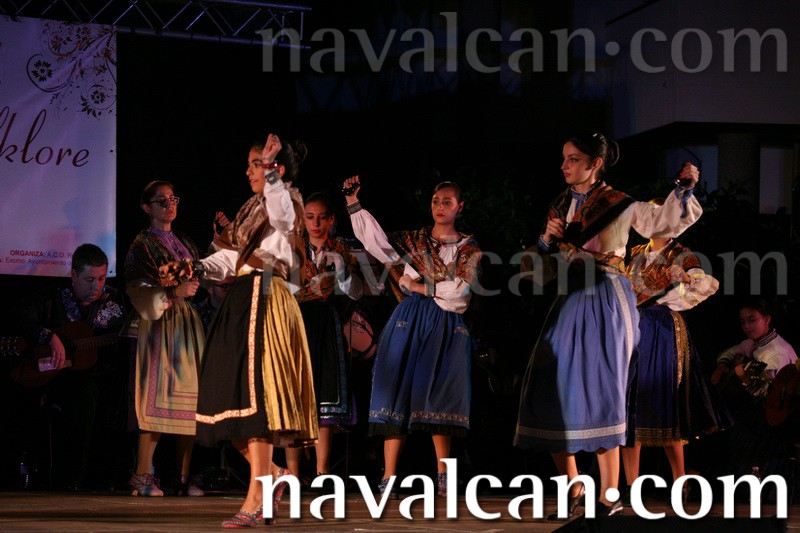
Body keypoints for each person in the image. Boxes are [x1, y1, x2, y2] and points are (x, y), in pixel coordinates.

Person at [514, 131, 702, 518]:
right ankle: (574, 487)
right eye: (564, 158)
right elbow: (541, 265)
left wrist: (683, 189)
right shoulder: (560, 205)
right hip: (569, 296)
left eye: (573, 159)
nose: (564, 165)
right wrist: (546, 241)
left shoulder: (620, 203)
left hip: (605, 296)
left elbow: (662, 222)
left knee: (602, 389)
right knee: (547, 387)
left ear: (595, 163)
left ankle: (609, 494)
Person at [161, 134, 317, 528]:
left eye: (256, 163)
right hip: (241, 298)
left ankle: (256, 497)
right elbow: (231, 258)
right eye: (250, 164)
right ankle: (275, 475)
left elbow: (283, 219)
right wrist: (195, 266)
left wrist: (271, 173)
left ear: (276, 168)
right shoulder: (250, 207)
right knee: (226, 404)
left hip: (267, 298)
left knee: (255, 402)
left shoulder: (287, 198)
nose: (249, 171)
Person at [343, 176, 482, 497]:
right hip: (409, 320)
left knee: (439, 394)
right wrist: (353, 203)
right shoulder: (413, 242)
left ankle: (443, 476)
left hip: (446, 324)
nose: (440, 207)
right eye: (436, 201)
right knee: (397, 392)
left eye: (448, 202)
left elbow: (459, 293)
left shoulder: (468, 248)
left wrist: (418, 286)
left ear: (460, 207)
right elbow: (377, 242)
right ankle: (389, 475)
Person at [620, 233, 731, 501]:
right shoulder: (635, 253)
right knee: (629, 405)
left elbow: (700, 282)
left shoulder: (680, 254)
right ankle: (631, 485)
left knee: (666, 405)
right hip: (633, 327)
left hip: (663, 330)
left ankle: (679, 479)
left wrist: (687, 278)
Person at [15, 244, 126, 490]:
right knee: (82, 394)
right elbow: (21, 316)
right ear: (73, 275)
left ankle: (111, 476)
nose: (96, 286)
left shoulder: (115, 301)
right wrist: (49, 336)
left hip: (103, 377)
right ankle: (69, 480)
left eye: (101, 279)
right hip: (59, 380)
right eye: (89, 279)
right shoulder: (52, 298)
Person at [124, 181, 206, 497]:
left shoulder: (183, 241)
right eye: (162, 201)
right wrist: (173, 292)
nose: (170, 205)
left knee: (192, 399)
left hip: (187, 323)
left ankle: (183, 477)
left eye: (173, 199)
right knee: (157, 397)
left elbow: (200, 275)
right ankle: (142, 475)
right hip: (160, 322)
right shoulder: (142, 245)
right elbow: (136, 288)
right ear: (147, 208)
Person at [285, 192, 363, 480]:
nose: (315, 224)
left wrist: (342, 275)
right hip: (295, 323)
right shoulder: (291, 247)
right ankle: (293, 474)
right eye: (309, 217)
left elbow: (356, 292)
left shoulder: (341, 249)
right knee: (294, 396)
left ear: (331, 220)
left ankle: (322, 472)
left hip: (328, 323)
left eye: (321, 218)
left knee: (325, 396)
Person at [709, 297, 798, 476]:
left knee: (732, 426)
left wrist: (744, 378)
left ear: (767, 319)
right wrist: (722, 366)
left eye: (752, 320)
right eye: (743, 322)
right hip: (757, 410)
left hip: (779, 418)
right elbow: (731, 352)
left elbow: (769, 394)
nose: (747, 326)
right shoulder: (754, 342)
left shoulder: (777, 353)